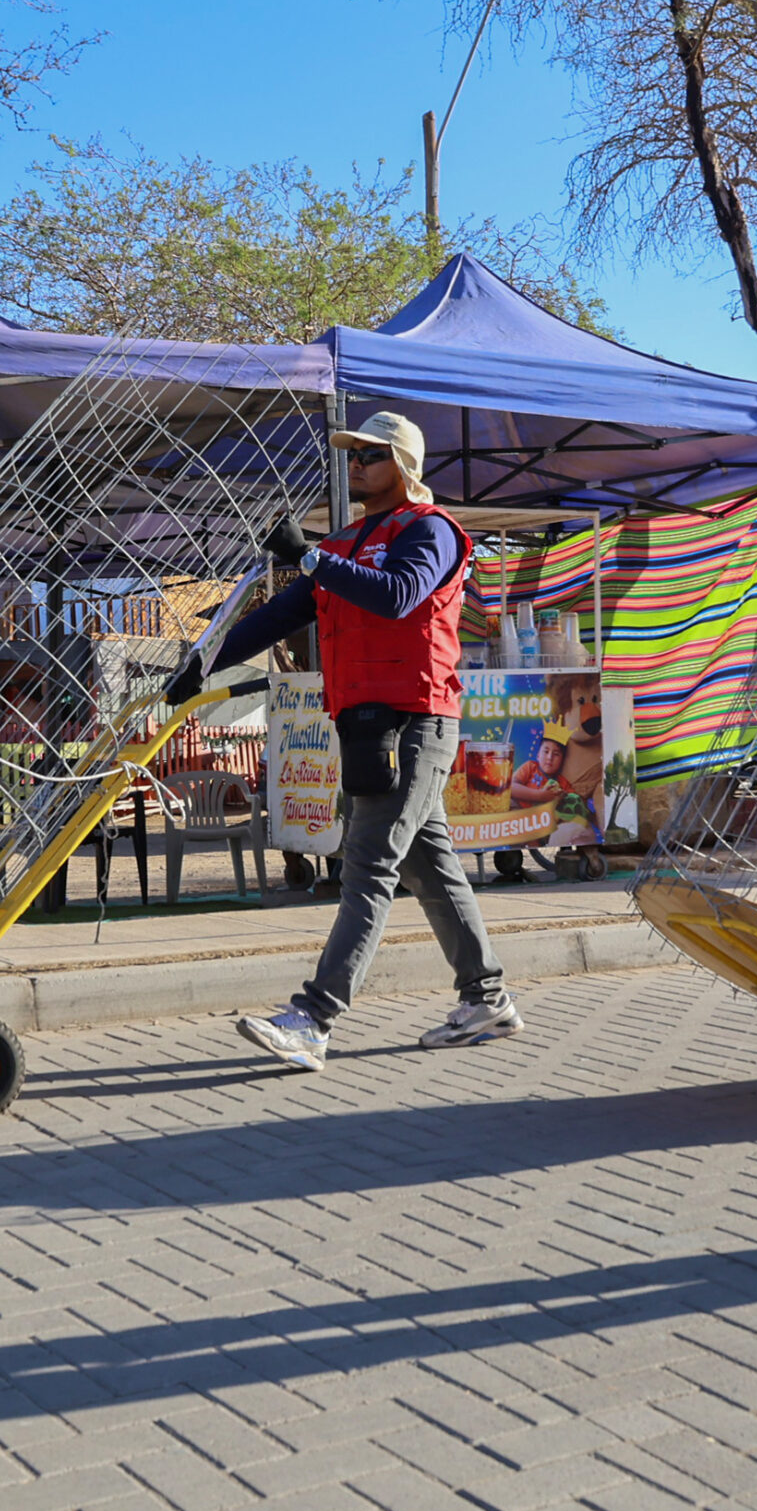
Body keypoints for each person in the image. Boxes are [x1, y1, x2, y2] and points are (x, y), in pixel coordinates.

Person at [169, 410, 520, 1071]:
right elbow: (281, 613)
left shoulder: (432, 531)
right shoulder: (349, 541)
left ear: (406, 466)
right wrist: (205, 660)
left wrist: (308, 555)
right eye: (352, 454)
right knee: (426, 865)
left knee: (367, 866)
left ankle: (314, 1017)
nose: (354, 464)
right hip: (366, 728)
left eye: (370, 454)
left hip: (415, 721)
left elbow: (398, 597)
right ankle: (487, 998)